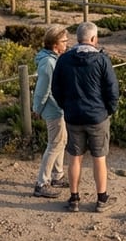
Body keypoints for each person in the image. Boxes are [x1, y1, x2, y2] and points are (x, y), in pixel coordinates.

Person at [51, 22, 120, 213]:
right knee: (99, 158)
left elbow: (56, 88)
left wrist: (65, 106)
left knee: (74, 158)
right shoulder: (102, 60)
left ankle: (74, 199)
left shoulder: (64, 60)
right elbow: (112, 90)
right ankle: (102, 199)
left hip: (73, 116)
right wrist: (109, 110)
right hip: (97, 116)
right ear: (93, 39)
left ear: (77, 38)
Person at [31, 25, 69, 198]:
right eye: (64, 41)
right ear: (55, 44)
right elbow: (43, 89)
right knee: (54, 144)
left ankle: (57, 176)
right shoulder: (48, 62)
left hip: (58, 107)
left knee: (60, 142)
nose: (67, 44)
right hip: (53, 109)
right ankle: (42, 183)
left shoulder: (53, 59)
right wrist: (36, 109)